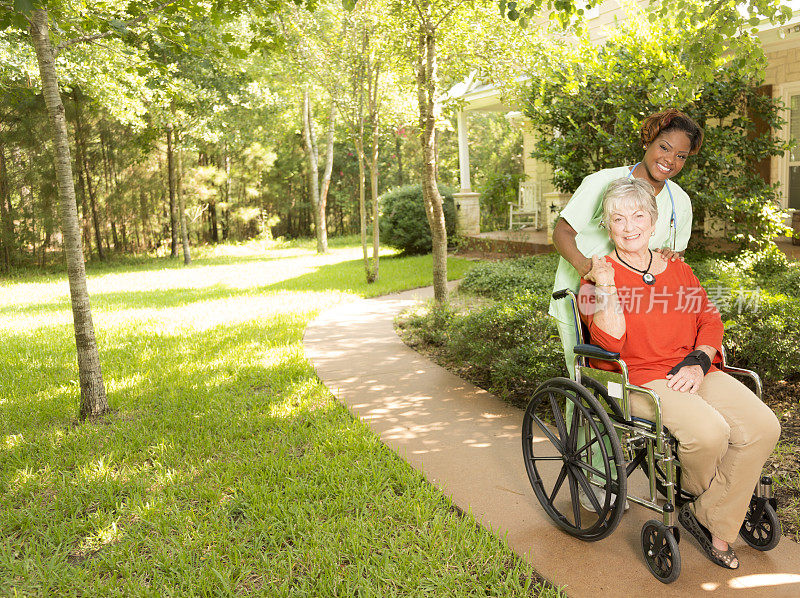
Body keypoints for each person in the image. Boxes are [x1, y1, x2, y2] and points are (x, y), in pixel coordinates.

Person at [578, 177, 780, 570]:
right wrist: (605, 284)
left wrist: (701, 361)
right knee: (709, 434)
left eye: (638, 215)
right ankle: (712, 512)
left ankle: (706, 511)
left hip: (694, 369)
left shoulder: (678, 269)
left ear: (653, 221)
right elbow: (610, 344)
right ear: (607, 225)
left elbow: (709, 318)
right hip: (640, 380)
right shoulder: (594, 280)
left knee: (764, 425)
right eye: (618, 218)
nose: (629, 226)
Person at [551, 108, 704, 376]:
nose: (670, 160)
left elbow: (675, 258)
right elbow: (562, 232)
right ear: (648, 142)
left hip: (637, 307)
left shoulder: (680, 201)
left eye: (680, 156)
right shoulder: (602, 182)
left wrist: (671, 256)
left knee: (631, 384)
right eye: (664, 148)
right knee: (587, 380)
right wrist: (585, 267)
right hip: (585, 296)